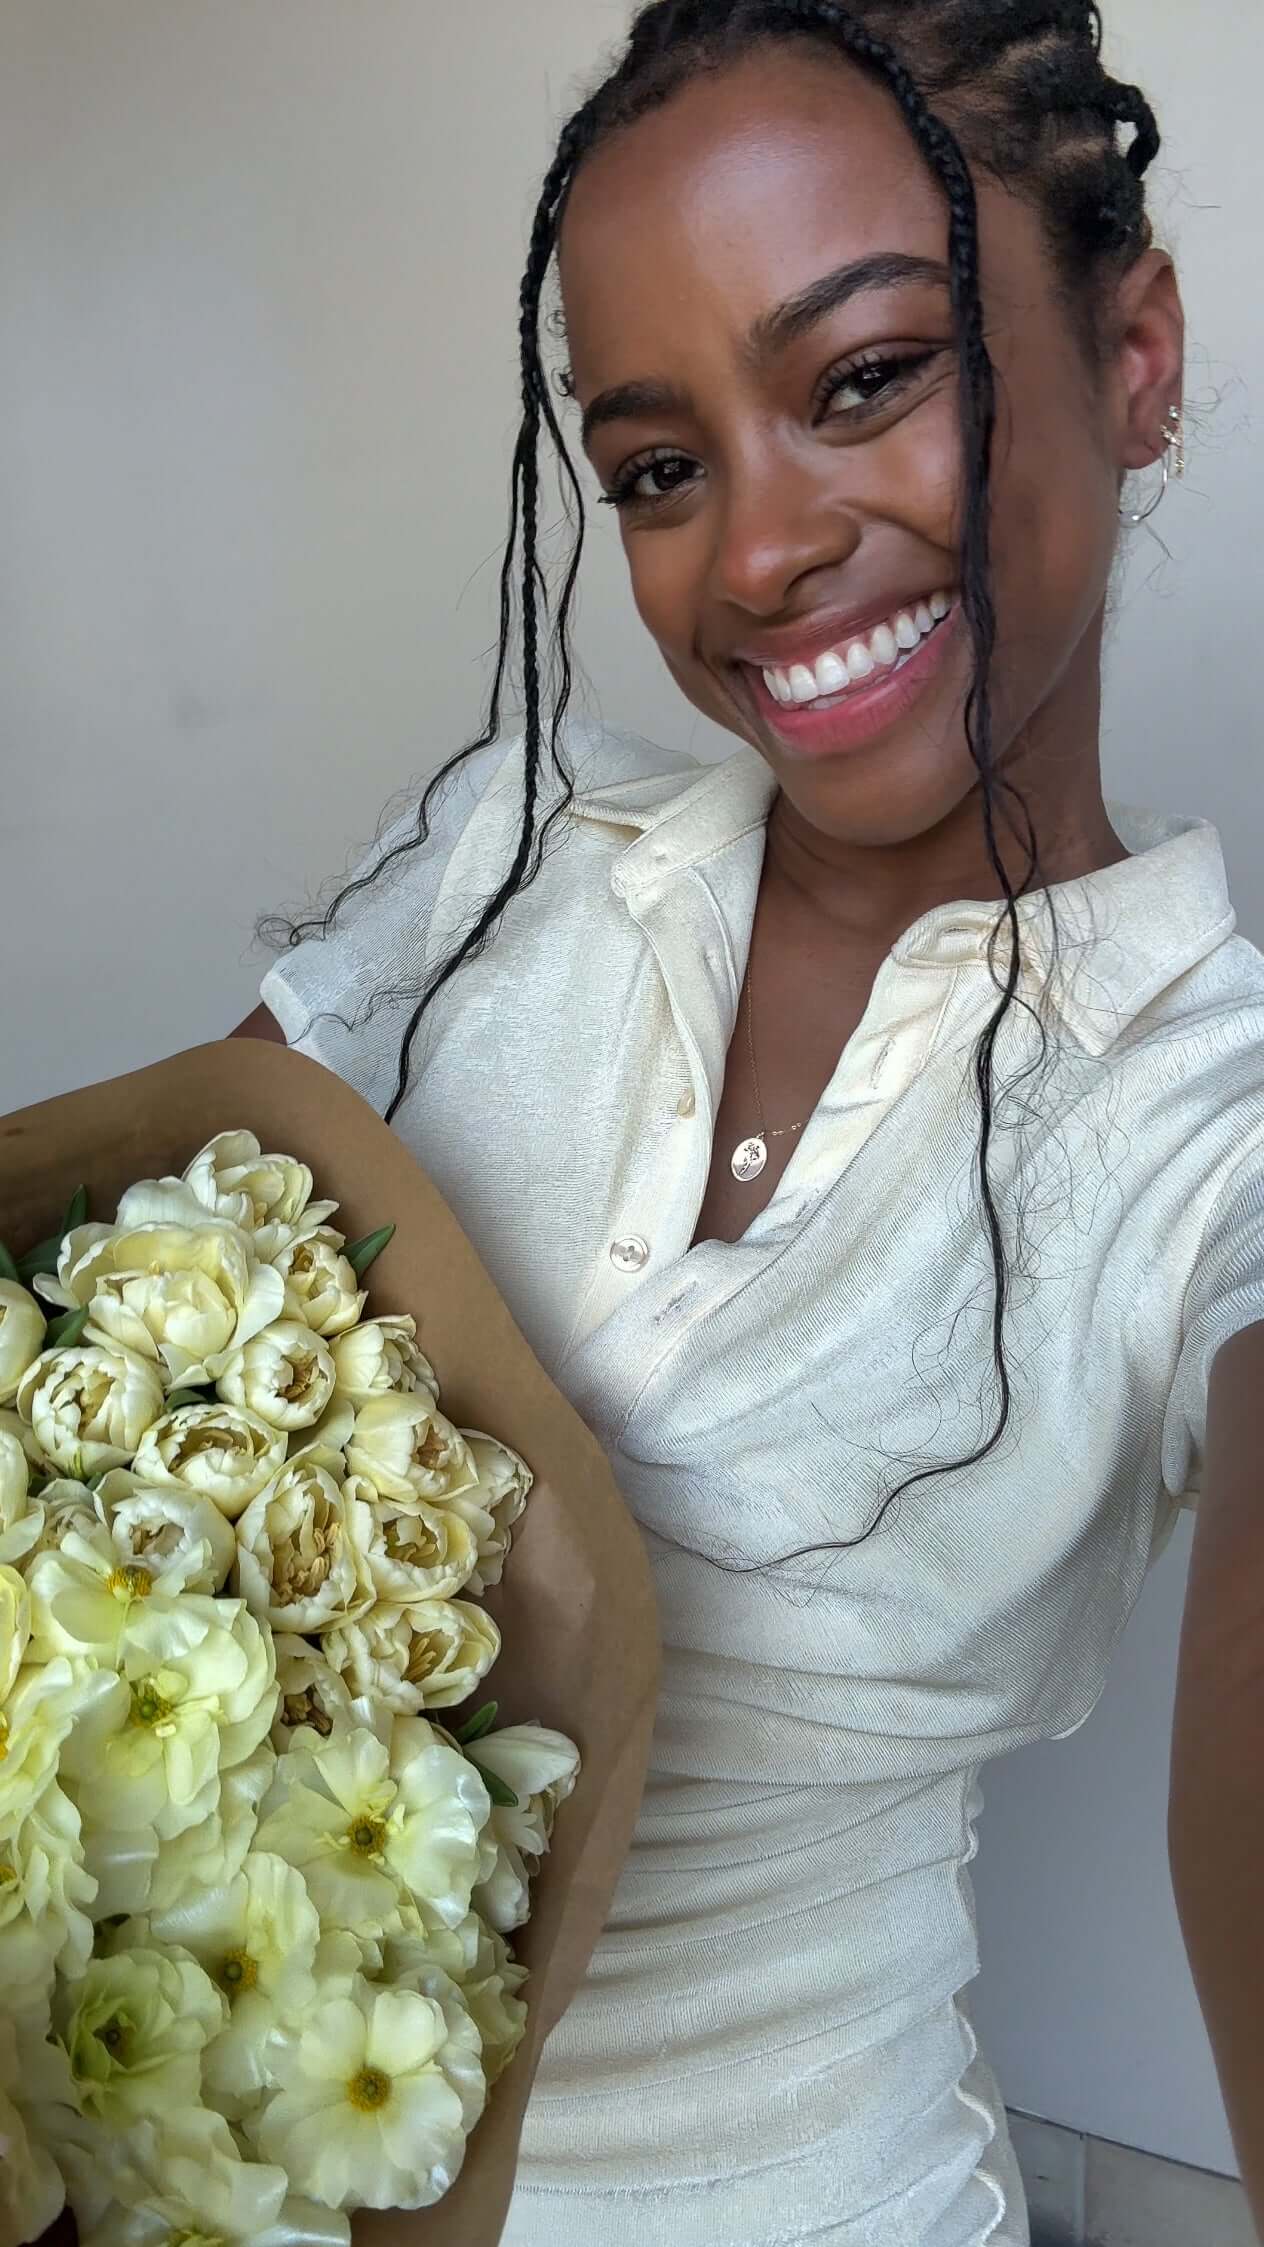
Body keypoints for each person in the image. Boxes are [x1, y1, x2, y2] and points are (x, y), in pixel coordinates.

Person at [237, 4, 1264, 2241]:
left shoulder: (1212, 1129)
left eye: (865, 378)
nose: (758, 554)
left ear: (1136, 355)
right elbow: (101, 1363)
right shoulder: (508, 851)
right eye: (657, 468)